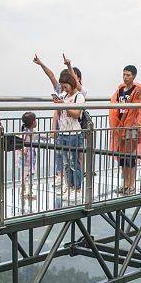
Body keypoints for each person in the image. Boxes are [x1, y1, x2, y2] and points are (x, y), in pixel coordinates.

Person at [34, 53, 86, 185]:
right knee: (65, 159)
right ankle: (63, 178)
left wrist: (69, 66)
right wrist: (41, 64)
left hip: (75, 129)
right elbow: (51, 75)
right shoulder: (62, 92)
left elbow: (76, 113)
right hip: (63, 128)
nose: (62, 87)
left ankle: (77, 186)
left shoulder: (80, 93)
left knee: (75, 159)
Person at [109, 65, 141, 195]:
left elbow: (134, 110)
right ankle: (125, 184)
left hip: (132, 127)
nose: (125, 77)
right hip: (120, 126)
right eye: (124, 74)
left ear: (134, 76)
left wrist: (127, 125)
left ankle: (131, 185)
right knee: (123, 157)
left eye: (128, 75)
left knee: (130, 157)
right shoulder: (120, 90)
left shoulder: (137, 91)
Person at [53, 70, 85, 199]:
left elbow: (77, 114)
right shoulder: (65, 97)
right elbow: (62, 114)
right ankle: (69, 186)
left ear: (71, 83)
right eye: (62, 86)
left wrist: (64, 105)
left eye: (65, 86)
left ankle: (77, 189)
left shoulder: (79, 97)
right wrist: (59, 106)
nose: (64, 89)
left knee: (74, 162)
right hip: (63, 132)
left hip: (74, 133)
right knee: (66, 163)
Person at [18, 111, 37, 201]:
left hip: (28, 158)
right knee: (28, 175)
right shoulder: (26, 132)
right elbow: (21, 142)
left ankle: (25, 191)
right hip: (27, 158)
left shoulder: (28, 131)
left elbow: (39, 136)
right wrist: (24, 148)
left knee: (25, 175)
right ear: (33, 122)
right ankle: (27, 191)